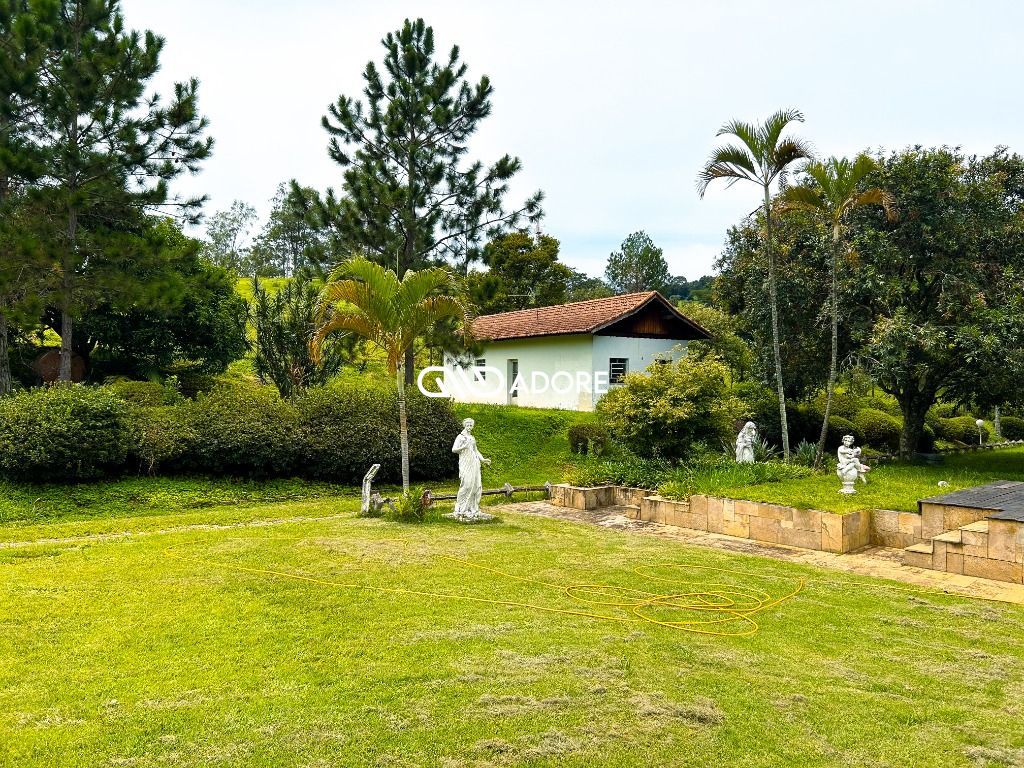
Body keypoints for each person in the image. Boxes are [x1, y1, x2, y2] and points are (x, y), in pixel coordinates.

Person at [452, 418, 491, 518]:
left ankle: (473, 508)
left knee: (476, 486)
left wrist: (483, 459)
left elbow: (476, 450)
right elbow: (454, 449)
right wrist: (463, 447)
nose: (469, 427)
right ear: (464, 425)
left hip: (474, 463)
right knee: (467, 484)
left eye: (471, 425)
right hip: (465, 463)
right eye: (467, 425)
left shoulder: (472, 438)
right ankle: (460, 507)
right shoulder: (460, 437)